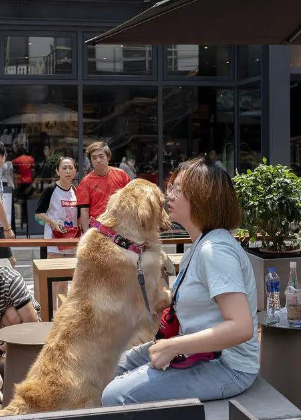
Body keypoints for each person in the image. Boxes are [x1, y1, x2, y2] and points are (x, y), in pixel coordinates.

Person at [101, 156, 259, 406]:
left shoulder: (215, 250)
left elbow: (241, 327)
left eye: (178, 189)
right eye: (170, 187)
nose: (168, 195)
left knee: (116, 396)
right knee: (106, 369)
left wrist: (173, 346)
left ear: (202, 196)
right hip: (197, 352)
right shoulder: (200, 245)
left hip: (227, 366)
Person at [77, 141, 130, 232]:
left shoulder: (122, 175)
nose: (98, 160)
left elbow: (131, 201)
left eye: (101, 156)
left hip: (120, 226)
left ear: (108, 157)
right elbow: (84, 211)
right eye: (94, 158)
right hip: (97, 227)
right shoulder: (85, 182)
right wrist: (86, 233)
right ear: (91, 161)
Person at [35, 157, 78, 258]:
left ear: (75, 171)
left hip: (70, 240)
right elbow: (38, 213)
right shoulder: (51, 189)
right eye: (64, 168)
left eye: (71, 168)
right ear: (57, 171)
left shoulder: (75, 190)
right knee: (54, 272)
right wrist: (52, 222)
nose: (68, 171)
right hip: (53, 240)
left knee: (70, 273)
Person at [12, 146, 35, 231]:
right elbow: (33, 171)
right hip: (28, 182)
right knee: (28, 202)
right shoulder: (30, 159)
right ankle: (28, 221)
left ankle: (23, 221)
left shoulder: (16, 161)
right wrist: (32, 182)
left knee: (21, 202)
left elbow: (14, 173)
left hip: (21, 183)